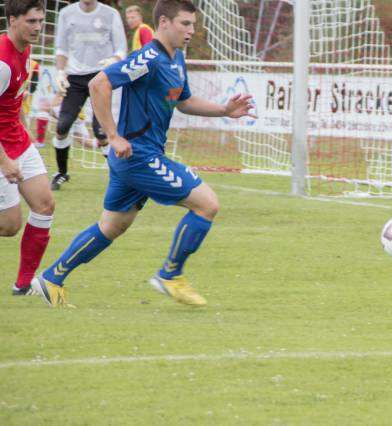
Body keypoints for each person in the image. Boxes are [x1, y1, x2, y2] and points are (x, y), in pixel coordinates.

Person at [32, 0, 256, 308]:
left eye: (193, 24)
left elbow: (184, 101)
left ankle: (51, 278)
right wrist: (113, 135)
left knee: (112, 227)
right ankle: (170, 274)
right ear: (164, 22)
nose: (191, 30)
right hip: (140, 157)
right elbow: (99, 83)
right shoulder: (148, 58)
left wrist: (224, 110)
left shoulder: (176, 59)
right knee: (207, 204)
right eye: (185, 23)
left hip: (134, 159)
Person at [0, 0, 55, 296]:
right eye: (31, 21)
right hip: (2, 150)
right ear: (12, 20)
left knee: (45, 205)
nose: (37, 27)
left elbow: (12, 98)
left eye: (40, 21)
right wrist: (5, 160)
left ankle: (23, 285)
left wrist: (23, 125)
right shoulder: (2, 62)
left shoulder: (25, 48)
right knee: (9, 226)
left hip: (17, 140)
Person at [51, 0, 127, 190]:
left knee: (101, 132)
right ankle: (61, 173)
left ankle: (119, 177)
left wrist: (113, 59)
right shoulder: (66, 13)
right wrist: (60, 72)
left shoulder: (110, 14)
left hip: (100, 77)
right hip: (75, 78)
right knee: (62, 126)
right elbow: (61, 49)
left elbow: (121, 49)